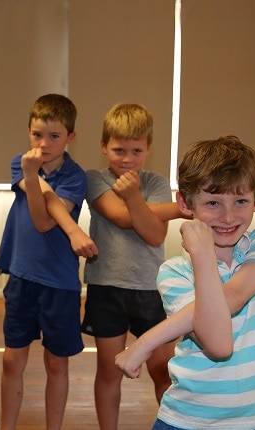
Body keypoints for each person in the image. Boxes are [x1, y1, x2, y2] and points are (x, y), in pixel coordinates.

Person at [116, 135, 255, 429]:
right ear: (184, 202)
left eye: (241, 201)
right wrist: (203, 256)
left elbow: (232, 297)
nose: (228, 216)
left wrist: (145, 343)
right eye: (213, 202)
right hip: (189, 417)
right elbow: (219, 345)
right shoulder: (175, 272)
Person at [0, 94, 97, 430]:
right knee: (11, 361)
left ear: (70, 138)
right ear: (28, 132)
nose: (44, 143)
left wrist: (32, 175)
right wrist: (29, 171)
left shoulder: (76, 177)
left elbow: (43, 216)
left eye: (54, 136)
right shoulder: (18, 163)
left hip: (60, 284)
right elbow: (43, 211)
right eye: (37, 134)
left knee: (57, 364)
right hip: (22, 277)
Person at [81, 103, 185, 430]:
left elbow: (154, 235)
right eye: (119, 149)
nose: (127, 158)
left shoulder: (155, 183)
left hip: (151, 290)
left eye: (136, 150)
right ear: (103, 146)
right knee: (109, 371)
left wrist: (137, 196)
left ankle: (173, 425)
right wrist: (182, 208)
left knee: (162, 370)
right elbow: (123, 218)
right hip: (106, 288)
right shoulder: (94, 179)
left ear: (148, 148)